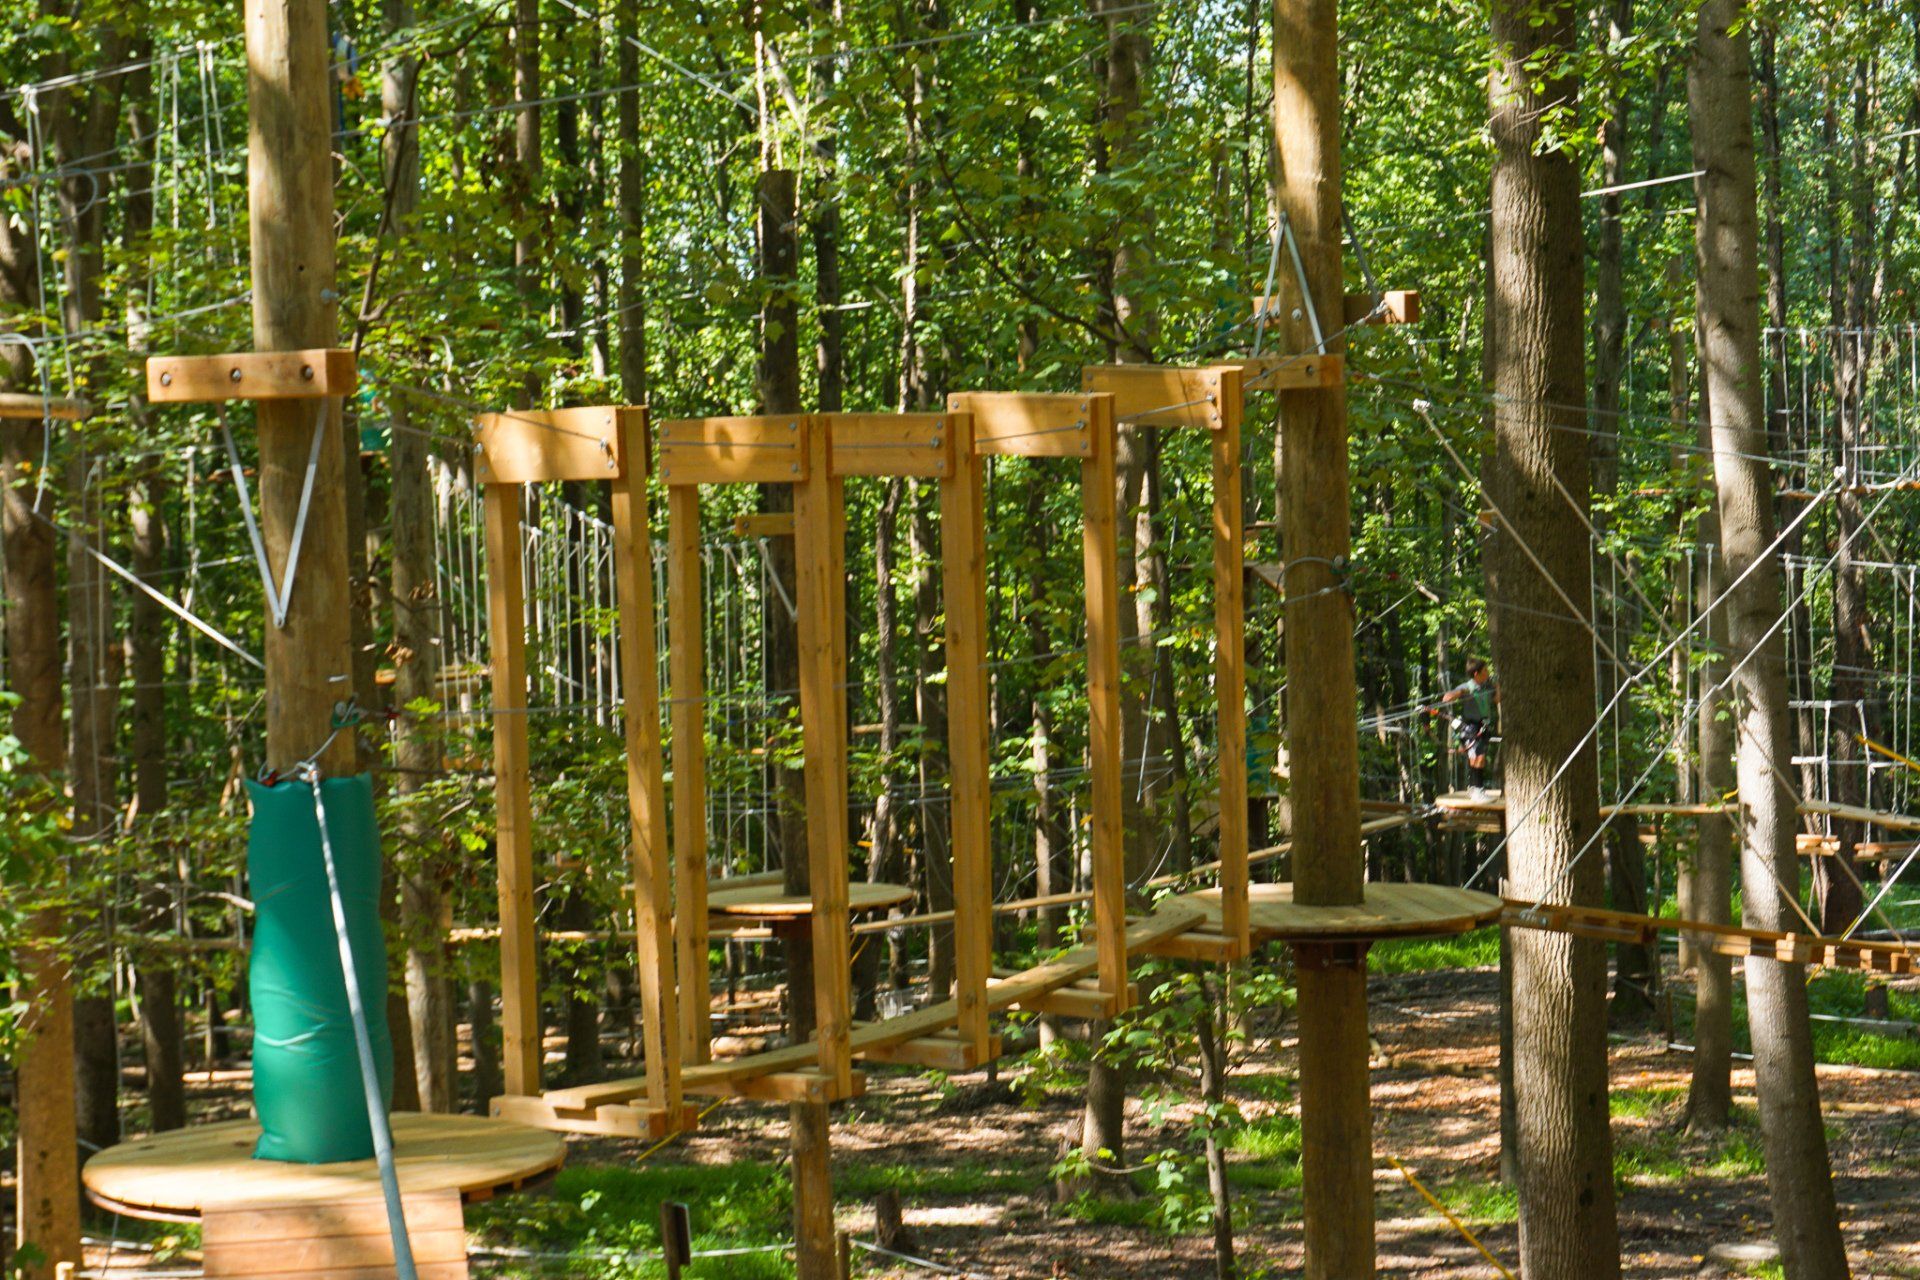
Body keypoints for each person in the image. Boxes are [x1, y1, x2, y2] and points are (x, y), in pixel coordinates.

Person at [1435, 659, 1499, 798]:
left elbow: (1497, 699)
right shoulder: (1466, 686)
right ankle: (1478, 790)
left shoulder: (1487, 687)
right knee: (1479, 757)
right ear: (1476, 673)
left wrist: (1498, 686)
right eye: (1485, 670)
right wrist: (1461, 692)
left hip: (1483, 726)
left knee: (1476, 758)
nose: (1488, 673)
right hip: (1471, 727)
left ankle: (1473, 787)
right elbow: (1447, 698)